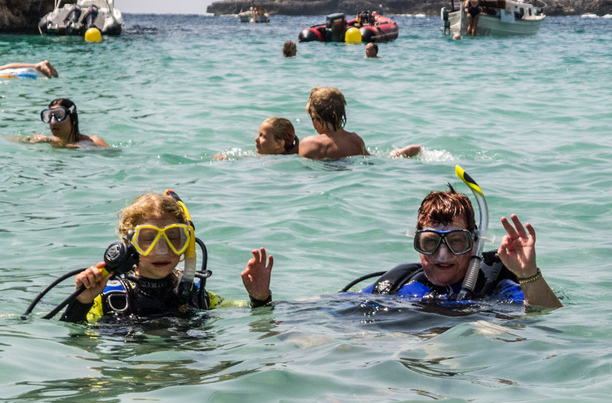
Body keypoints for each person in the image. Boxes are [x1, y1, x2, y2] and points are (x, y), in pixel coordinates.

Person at [61, 191, 273, 323]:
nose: (161, 249)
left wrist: (260, 298)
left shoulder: (195, 294)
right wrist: (82, 300)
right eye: (149, 238)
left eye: (173, 238)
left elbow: (247, 313)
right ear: (128, 245)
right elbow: (73, 335)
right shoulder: (111, 296)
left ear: (186, 244)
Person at [356, 187, 561, 308]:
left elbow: (544, 315)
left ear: (475, 244)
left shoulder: (494, 290)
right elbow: (334, 310)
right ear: (418, 244)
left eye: (456, 241)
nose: (443, 255)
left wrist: (528, 275)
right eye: (430, 242)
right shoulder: (398, 284)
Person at [298, 86, 421, 160]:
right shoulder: (354, 140)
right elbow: (371, 160)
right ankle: (397, 155)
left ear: (317, 118)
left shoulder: (308, 144)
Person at [29, 98, 109, 148]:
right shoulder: (48, 140)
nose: (53, 122)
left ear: (72, 119)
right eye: (49, 116)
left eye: (59, 116)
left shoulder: (94, 143)